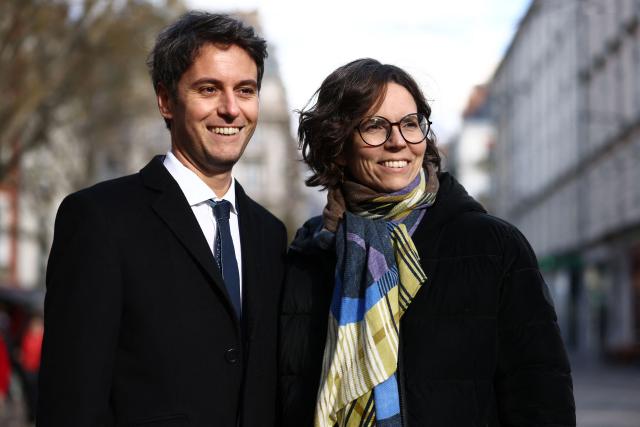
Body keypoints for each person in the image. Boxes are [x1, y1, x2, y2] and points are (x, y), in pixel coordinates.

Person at [278, 58, 576, 426]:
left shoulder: (492, 245)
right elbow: (288, 392)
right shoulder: (310, 253)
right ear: (337, 144)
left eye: (409, 124)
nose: (398, 141)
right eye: (374, 126)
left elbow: (541, 395)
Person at [38, 11, 287, 426]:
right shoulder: (99, 219)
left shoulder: (269, 234)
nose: (231, 109)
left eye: (245, 90)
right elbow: (70, 401)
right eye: (209, 89)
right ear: (166, 100)